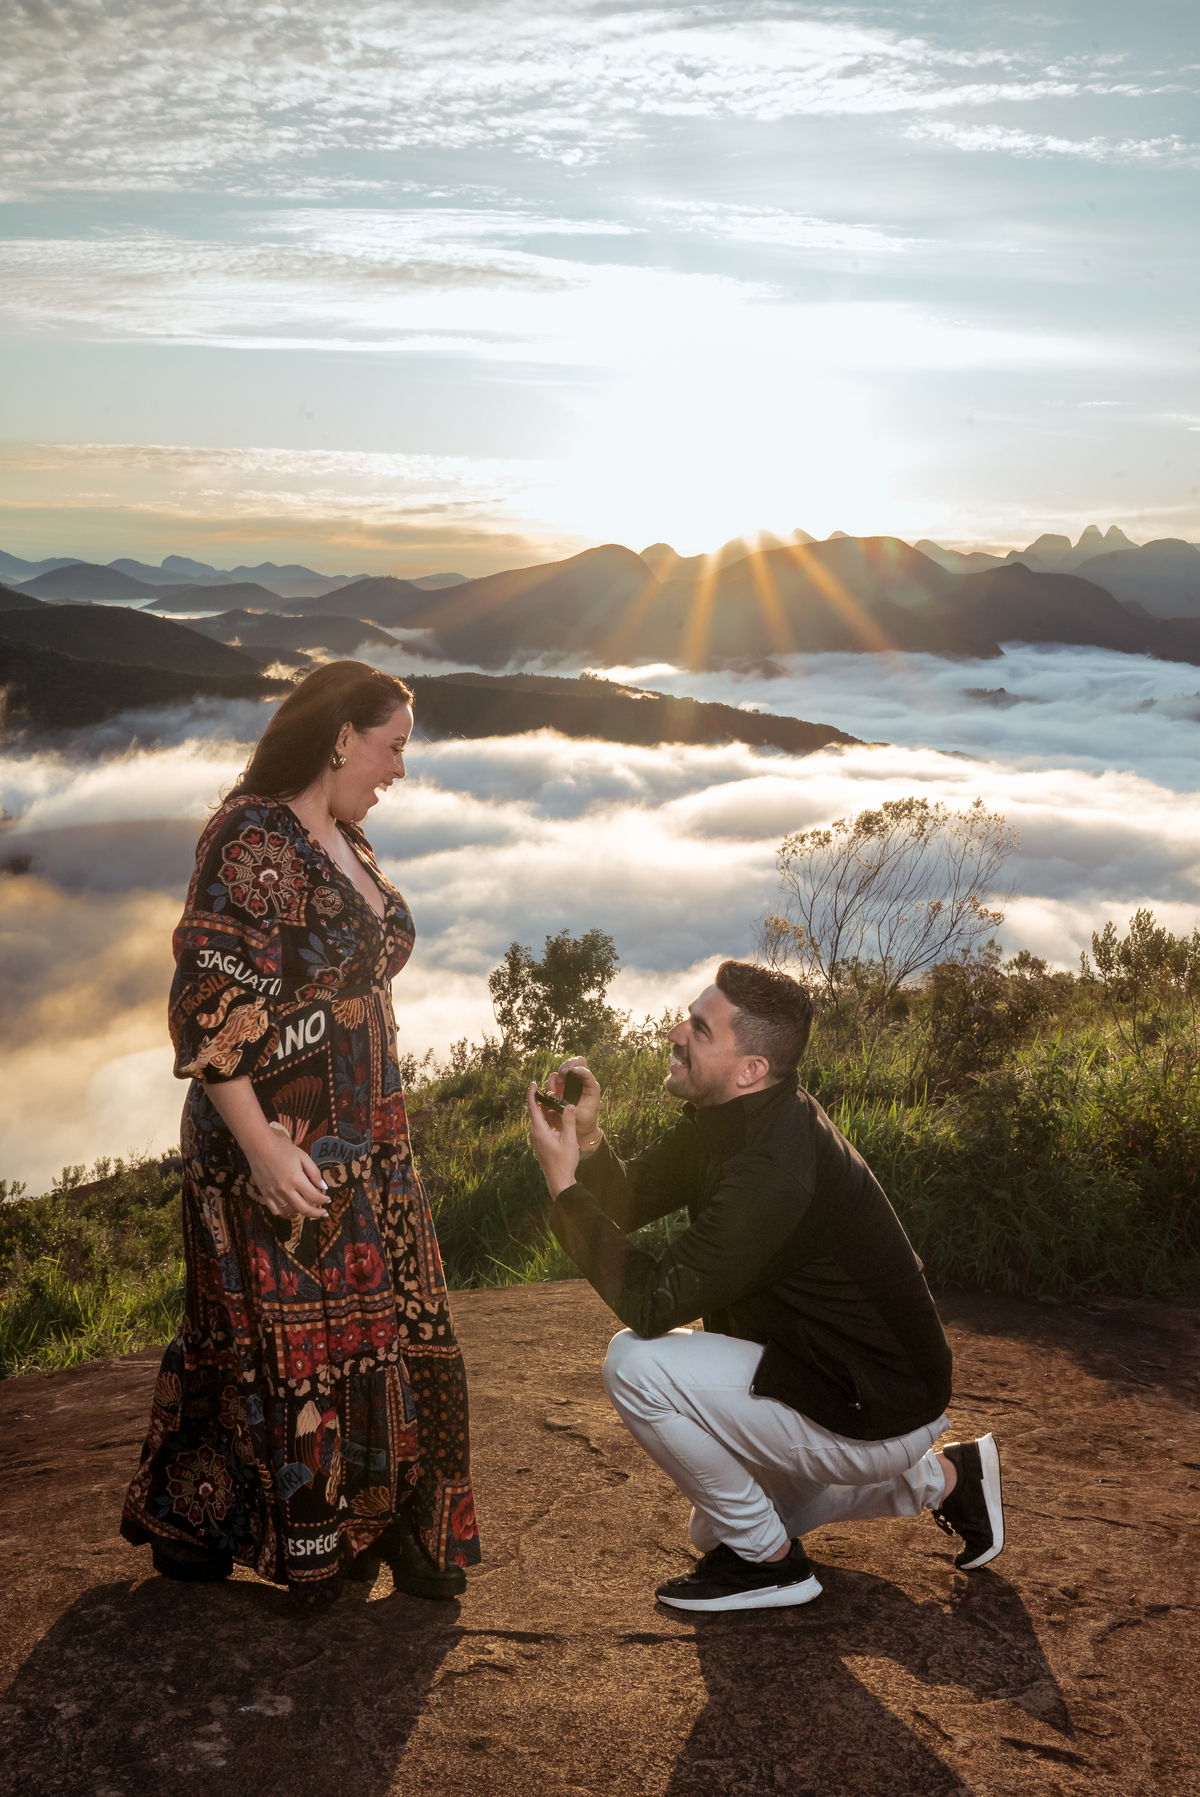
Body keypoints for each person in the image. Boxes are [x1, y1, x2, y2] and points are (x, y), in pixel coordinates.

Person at [121, 660, 480, 1607]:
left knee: (396, 1329)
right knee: (281, 1346)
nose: (400, 768)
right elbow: (206, 1008)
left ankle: (391, 1520)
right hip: (273, 1144)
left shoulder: (345, 837)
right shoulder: (250, 837)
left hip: (369, 1139)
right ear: (339, 737)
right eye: (393, 746)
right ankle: (256, 1526)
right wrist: (263, 1147)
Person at [526, 959, 1003, 1614]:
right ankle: (948, 1479)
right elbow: (630, 1198)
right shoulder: (731, 1118)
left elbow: (652, 1303)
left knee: (634, 1363)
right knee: (710, 1525)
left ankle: (772, 1565)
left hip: (871, 1405)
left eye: (698, 1027)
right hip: (837, 1382)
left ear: (750, 1068)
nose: (673, 1031)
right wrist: (587, 1138)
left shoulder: (774, 1165)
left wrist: (563, 1186)